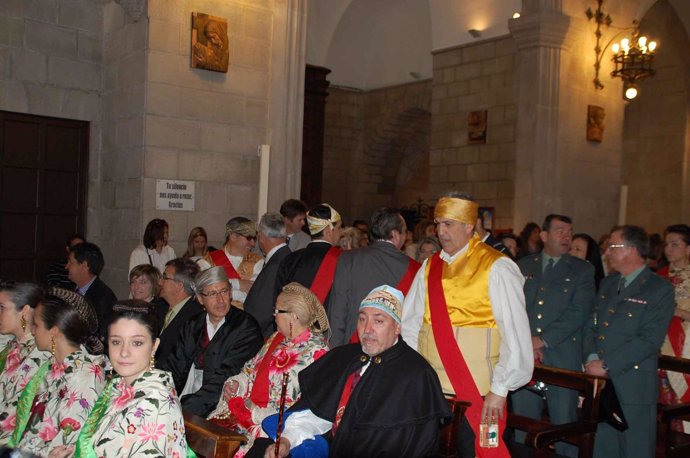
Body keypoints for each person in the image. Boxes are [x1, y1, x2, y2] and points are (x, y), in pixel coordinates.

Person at [248, 285, 451, 458]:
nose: (368, 329)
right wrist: (287, 440)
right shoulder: (345, 357)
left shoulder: (416, 374)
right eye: (362, 319)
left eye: (378, 321)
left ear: (397, 327)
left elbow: (416, 445)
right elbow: (318, 413)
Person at [401, 192, 532, 457]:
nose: (441, 231)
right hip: (434, 394)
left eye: (449, 224)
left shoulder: (496, 267)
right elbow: (411, 325)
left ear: (469, 226)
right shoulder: (429, 266)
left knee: (480, 450)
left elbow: (515, 333)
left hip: (480, 395)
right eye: (438, 223)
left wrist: (500, 389)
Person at [51, 300, 189, 457]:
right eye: (116, 342)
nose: (124, 352)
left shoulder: (156, 402)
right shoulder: (119, 386)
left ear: (154, 346)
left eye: (137, 343)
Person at [208, 283, 330, 457]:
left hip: (274, 430)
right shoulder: (278, 337)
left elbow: (303, 409)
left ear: (293, 316)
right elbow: (250, 370)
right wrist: (236, 384)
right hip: (244, 416)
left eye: (277, 311)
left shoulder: (317, 352)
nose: (273, 316)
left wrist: (254, 410)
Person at [584, 225, 675, 458]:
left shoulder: (658, 288)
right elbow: (592, 326)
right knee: (603, 449)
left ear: (632, 250)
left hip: (633, 386)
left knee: (635, 450)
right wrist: (593, 357)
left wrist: (607, 365)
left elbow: (649, 340)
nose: (608, 253)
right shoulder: (608, 284)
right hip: (602, 385)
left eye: (613, 246)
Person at [511, 214, 595, 457]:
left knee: (564, 425)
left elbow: (579, 312)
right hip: (525, 357)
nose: (566, 236)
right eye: (559, 231)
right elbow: (513, 307)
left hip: (562, 357)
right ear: (544, 236)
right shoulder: (524, 266)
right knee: (523, 423)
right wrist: (525, 341)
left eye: (569, 232)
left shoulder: (582, 270)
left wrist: (540, 340)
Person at [160, 267, 263, 417]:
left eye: (224, 292)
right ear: (200, 299)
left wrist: (182, 412)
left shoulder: (246, 327)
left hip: (220, 404)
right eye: (212, 294)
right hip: (186, 396)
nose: (220, 300)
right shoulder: (193, 324)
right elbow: (174, 367)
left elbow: (224, 378)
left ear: (231, 293)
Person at [14, 288, 106, 456]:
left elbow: (65, 444)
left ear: (54, 331)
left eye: (37, 324)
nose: (33, 330)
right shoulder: (54, 364)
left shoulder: (86, 375)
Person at [328, 208, 420, 347]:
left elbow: (337, 313)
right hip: (393, 351)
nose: (405, 237)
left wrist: (335, 354)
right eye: (405, 232)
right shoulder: (415, 269)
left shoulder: (348, 259)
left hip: (354, 348)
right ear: (395, 234)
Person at [0, 282, 49, 444]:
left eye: (2, 308)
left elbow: (18, 412)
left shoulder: (39, 353)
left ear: (25, 311)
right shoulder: (13, 345)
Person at [277, 204, 343, 305]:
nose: (341, 232)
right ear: (328, 231)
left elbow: (279, 298)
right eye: (339, 228)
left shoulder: (290, 259)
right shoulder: (342, 260)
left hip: (292, 319)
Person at [658, 225, 690, 416]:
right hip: (660, 345)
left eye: (675, 244)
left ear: (688, 248)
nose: (668, 249)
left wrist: (677, 311)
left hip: (686, 345)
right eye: (667, 244)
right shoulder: (657, 277)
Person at [243, 213, 291, 339]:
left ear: (261, 237)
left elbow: (261, 311)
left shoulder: (277, 264)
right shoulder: (286, 256)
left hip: (266, 337)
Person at [198, 217, 264, 307]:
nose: (253, 243)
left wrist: (221, 290)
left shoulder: (258, 262)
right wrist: (238, 284)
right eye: (249, 238)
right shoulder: (207, 262)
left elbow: (252, 296)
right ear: (233, 236)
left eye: (254, 239)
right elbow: (203, 291)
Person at [66, 242, 117, 341]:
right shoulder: (68, 290)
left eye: (70, 262)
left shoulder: (104, 298)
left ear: (84, 265)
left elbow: (102, 336)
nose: (66, 266)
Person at [156, 258, 203, 364]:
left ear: (179, 286)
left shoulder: (194, 318)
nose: (159, 282)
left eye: (164, 277)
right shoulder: (159, 307)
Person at [129, 264, 167, 330]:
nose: (136, 287)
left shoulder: (159, 311)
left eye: (142, 282)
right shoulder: (127, 308)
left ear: (153, 285)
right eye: (133, 282)